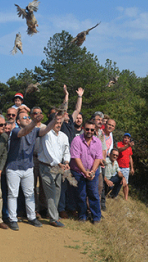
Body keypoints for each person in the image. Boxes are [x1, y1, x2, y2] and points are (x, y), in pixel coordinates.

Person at [5, 110, 60, 231]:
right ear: (18, 121)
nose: (27, 118)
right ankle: (13, 219)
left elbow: (46, 130)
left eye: (28, 117)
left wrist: (55, 120)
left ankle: (32, 217)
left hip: (28, 167)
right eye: (24, 117)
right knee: (13, 194)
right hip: (14, 168)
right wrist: (34, 122)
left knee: (30, 193)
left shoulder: (34, 130)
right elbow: (24, 132)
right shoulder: (15, 131)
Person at [37, 115, 70, 227]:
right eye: (56, 122)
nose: (59, 125)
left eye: (60, 123)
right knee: (50, 192)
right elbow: (48, 152)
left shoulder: (63, 136)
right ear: (51, 123)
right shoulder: (46, 135)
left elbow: (66, 150)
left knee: (57, 191)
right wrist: (58, 163)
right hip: (47, 166)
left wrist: (66, 162)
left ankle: (51, 214)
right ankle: (53, 218)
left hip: (59, 167)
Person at [69, 120, 103, 224]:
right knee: (81, 195)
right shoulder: (77, 140)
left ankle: (96, 217)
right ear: (83, 128)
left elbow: (98, 158)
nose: (89, 131)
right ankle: (82, 216)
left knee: (93, 194)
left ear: (94, 130)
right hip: (79, 172)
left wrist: (92, 171)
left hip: (92, 171)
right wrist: (84, 172)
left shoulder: (97, 142)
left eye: (92, 130)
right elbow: (76, 158)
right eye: (87, 129)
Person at [58, 85, 84, 219]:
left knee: (72, 184)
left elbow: (77, 109)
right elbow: (64, 109)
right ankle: (61, 209)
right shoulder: (60, 124)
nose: (67, 114)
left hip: (73, 159)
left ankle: (71, 207)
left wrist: (80, 96)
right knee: (63, 185)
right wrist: (66, 95)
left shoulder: (71, 124)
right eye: (65, 113)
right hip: (62, 159)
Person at [30, 107, 47, 218]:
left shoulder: (45, 127)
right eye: (35, 113)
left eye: (40, 113)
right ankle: (34, 210)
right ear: (31, 115)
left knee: (43, 185)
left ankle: (43, 208)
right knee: (31, 186)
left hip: (43, 158)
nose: (37, 115)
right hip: (31, 158)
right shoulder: (29, 127)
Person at [117, 133, 135, 200]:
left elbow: (130, 157)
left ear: (130, 139)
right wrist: (127, 146)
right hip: (118, 166)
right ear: (123, 138)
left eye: (128, 138)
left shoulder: (129, 147)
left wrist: (132, 168)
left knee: (125, 183)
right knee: (115, 181)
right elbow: (119, 150)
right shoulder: (119, 144)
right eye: (125, 137)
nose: (126, 139)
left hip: (126, 167)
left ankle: (126, 198)